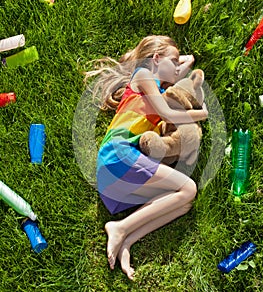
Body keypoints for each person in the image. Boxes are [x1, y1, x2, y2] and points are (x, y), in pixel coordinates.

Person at [84, 35, 208, 280]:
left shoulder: (159, 87)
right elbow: (165, 111)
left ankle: (128, 238)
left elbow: (187, 61)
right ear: (155, 58)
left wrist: (179, 59)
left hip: (120, 175)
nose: (178, 67)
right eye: (172, 61)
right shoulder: (143, 77)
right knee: (189, 188)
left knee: (184, 203)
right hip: (118, 155)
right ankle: (119, 228)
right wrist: (201, 114)